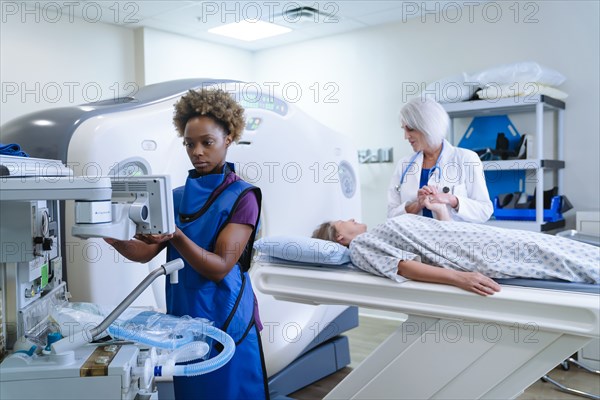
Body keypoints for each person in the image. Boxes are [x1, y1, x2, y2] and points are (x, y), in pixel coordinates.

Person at [105, 88, 269, 400]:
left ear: (228, 139)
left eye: (207, 142)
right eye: (189, 144)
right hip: (185, 311)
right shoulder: (175, 196)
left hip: (226, 311)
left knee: (230, 391)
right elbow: (146, 252)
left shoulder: (244, 197)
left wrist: (177, 236)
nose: (197, 151)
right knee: (193, 389)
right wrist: (112, 238)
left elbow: (220, 268)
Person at [314, 198, 599, 296]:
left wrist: (440, 210)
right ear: (339, 238)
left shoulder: (376, 232)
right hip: (474, 253)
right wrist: (462, 278)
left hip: (475, 237)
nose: (352, 219)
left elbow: (439, 233)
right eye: (344, 221)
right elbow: (403, 267)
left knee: (549, 245)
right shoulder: (360, 246)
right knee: (549, 256)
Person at [388, 97, 493, 223]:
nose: (406, 136)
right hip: (413, 238)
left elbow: (484, 211)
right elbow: (391, 215)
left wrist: (452, 200)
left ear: (428, 126)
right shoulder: (404, 165)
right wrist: (417, 205)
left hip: (452, 239)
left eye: (410, 129)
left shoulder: (467, 159)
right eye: (403, 129)